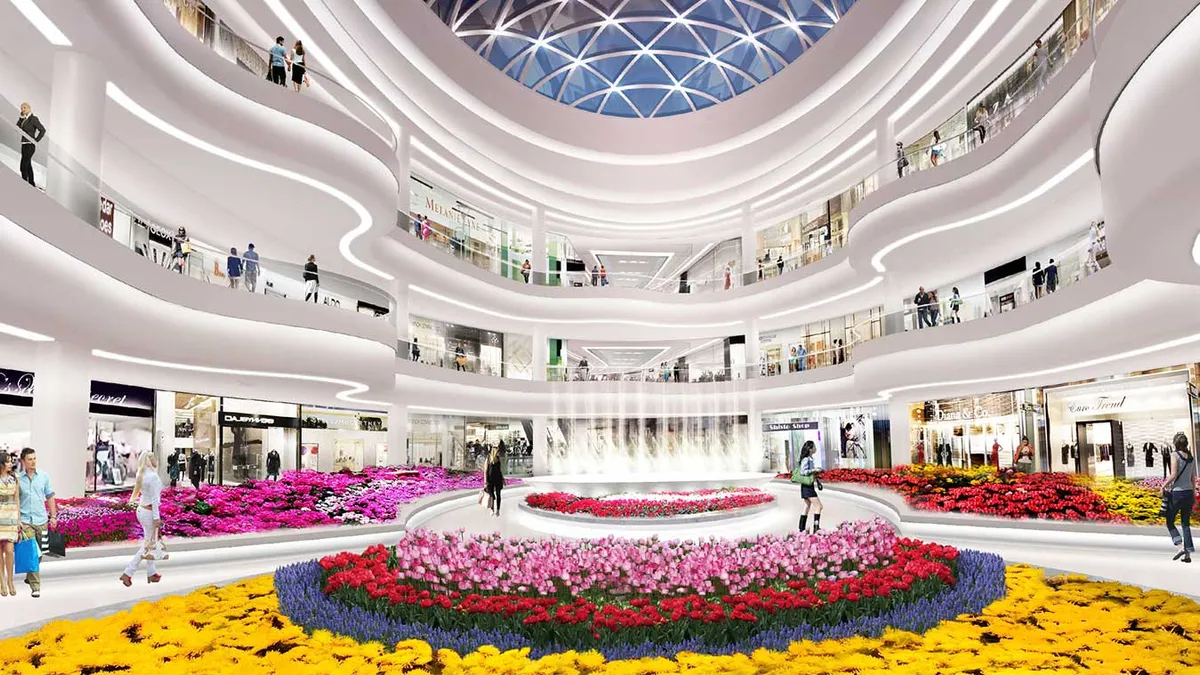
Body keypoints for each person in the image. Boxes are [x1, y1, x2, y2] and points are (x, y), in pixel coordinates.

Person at [120, 452, 163, 586]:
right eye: (153, 457)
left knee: (149, 542)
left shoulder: (142, 474)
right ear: (149, 460)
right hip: (149, 512)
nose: (156, 459)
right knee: (148, 545)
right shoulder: (153, 477)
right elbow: (155, 499)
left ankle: (152, 573)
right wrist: (157, 518)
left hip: (141, 510)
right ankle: (128, 573)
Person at [17, 448, 55, 599]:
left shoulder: (44, 476)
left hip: (42, 520)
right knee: (32, 552)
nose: (33, 462)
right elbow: (17, 501)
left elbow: (50, 496)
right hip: (26, 521)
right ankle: (35, 586)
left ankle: (30, 574)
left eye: (34, 458)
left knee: (42, 552)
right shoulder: (18, 479)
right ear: (23, 461)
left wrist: (53, 517)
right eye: (29, 459)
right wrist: (18, 520)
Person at [1165, 432, 1196, 563]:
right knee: (1185, 524)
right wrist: (1193, 492)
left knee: (1170, 521)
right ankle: (1187, 555)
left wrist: (1163, 486)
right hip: (1189, 493)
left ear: (1175, 443)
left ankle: (1180, 546)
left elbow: (1173, 475)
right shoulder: (1191, 458)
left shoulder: (1174, 455)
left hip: (1177, 493)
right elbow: (1193, 478)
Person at [16, 102, 46, 188]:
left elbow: (43, 130)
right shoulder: (23, 119)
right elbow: (17, 127)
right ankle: (32, 184)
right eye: (21, 108)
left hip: (30, 145)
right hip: (24, 144)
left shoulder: (34, 119)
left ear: (29, 108)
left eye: (24, 107)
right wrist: (21, 118)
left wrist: (36, 140)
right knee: (28, 165)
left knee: (23, 166)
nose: (22, 109)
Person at [0, 451, 17, 597]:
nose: (10, 463)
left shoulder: (14, 479)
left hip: (10, 519)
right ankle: (2, 582)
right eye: (8, 461)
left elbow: (16, 500)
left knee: (9, 551)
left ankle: (11, 580)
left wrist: (18, 520)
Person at [796, 441, 822, 533]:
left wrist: (815, 472)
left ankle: (801, 529)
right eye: (814, 446)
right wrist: (814, 470)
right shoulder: (806, 459)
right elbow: (803, 472)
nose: (815, 448)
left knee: (807, 506)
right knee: (819, 506)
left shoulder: (809, 458)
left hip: (808, 486)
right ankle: (816, 527)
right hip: (807, 486)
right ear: (810, 449)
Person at [484, 446, 504, 517]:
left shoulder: (498, 459)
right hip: (490, 479)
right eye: (497, 451)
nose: (498, 452)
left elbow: (500, 470)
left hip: (498, 479)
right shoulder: (488, 459)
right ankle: (492, 509)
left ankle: (498, 510)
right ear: (494, 451)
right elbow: (485, 471)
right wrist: (485, 481)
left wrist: (503, 479)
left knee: (498, 494)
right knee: (491, 495)